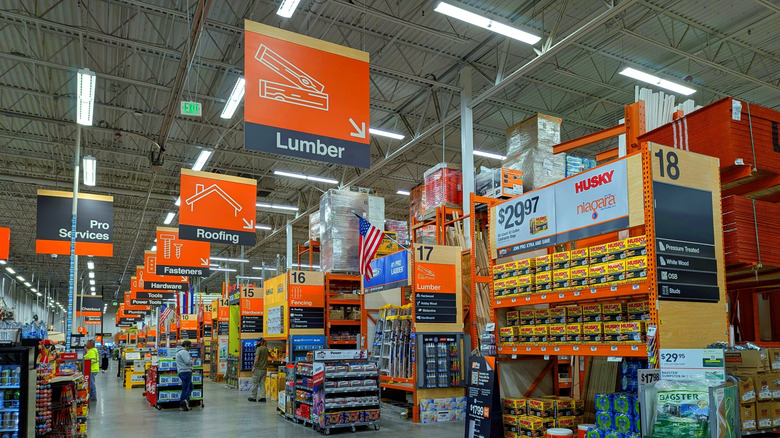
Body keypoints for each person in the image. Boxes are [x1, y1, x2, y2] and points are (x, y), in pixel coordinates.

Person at [176, 340, 194, 411]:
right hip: (185, 372)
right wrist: (193, 361)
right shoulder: (184, 352)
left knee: (190, 387)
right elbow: (187, 361)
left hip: (183, 371)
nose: (189, 348)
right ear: (185, 346)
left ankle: (185, 402)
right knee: (186, 389)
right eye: (189, 346)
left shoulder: (179, 352)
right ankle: (183, 403)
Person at [248, 338, 268, 402]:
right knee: (262, 383)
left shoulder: (259, 349)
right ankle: (263, 397)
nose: (257, 343)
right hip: (264, 369)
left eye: (258, 341)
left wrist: (254, 367)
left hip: (258, 369)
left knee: (255, 383)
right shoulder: (266, 349)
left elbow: (257, 358)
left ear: (261, 342)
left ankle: (253, 397)